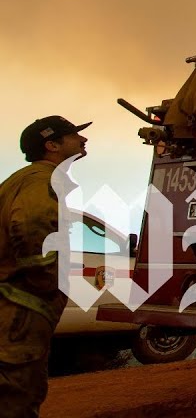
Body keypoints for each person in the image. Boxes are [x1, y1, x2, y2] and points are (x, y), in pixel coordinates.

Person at [0, 116, 89, 417]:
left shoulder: (24, 179)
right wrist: (45, 283)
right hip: (20, 310)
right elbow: (31, 225)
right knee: (18, 394)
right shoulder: (41, 181)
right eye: (74, 135)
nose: (83, 140)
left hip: (14, 307)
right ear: (52, 145)